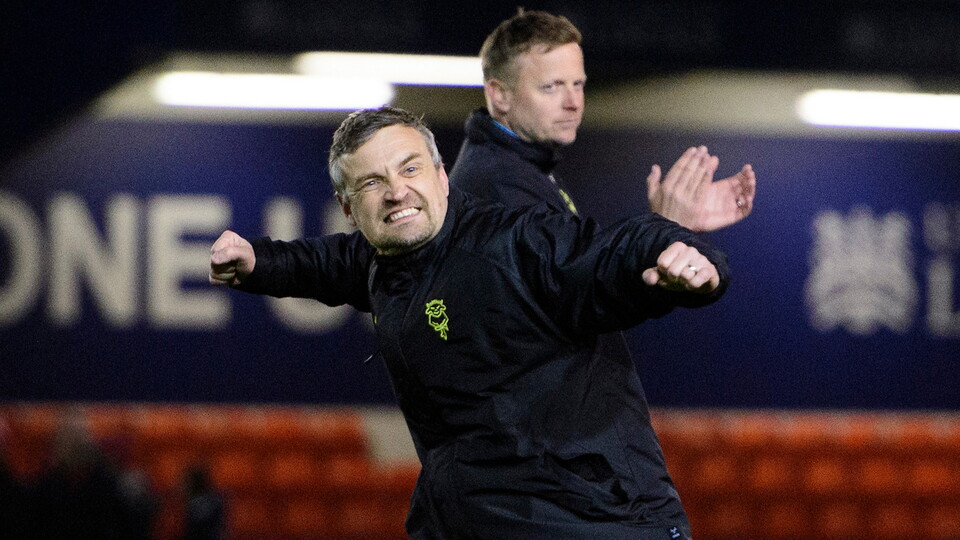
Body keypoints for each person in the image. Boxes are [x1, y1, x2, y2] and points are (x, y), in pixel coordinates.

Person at [209, 106, 730, 539]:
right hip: (471, 518)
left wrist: (683, 253)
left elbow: (608, 254)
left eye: (410, 169)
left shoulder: (515, 244)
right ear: (348, 207)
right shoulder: (385, 259)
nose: (396, 191)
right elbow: (331, 263)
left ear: (441, 175)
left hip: (592, 520)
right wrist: (259, 260)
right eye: (373, 182)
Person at [450, 9, 756, 231]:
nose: (573, 103)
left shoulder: (523, 166)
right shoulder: (499, 184)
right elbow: (572, 301)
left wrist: (669, 231)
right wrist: (665, 230)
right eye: (552, 86)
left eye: (578, 84)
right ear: (500, 95)